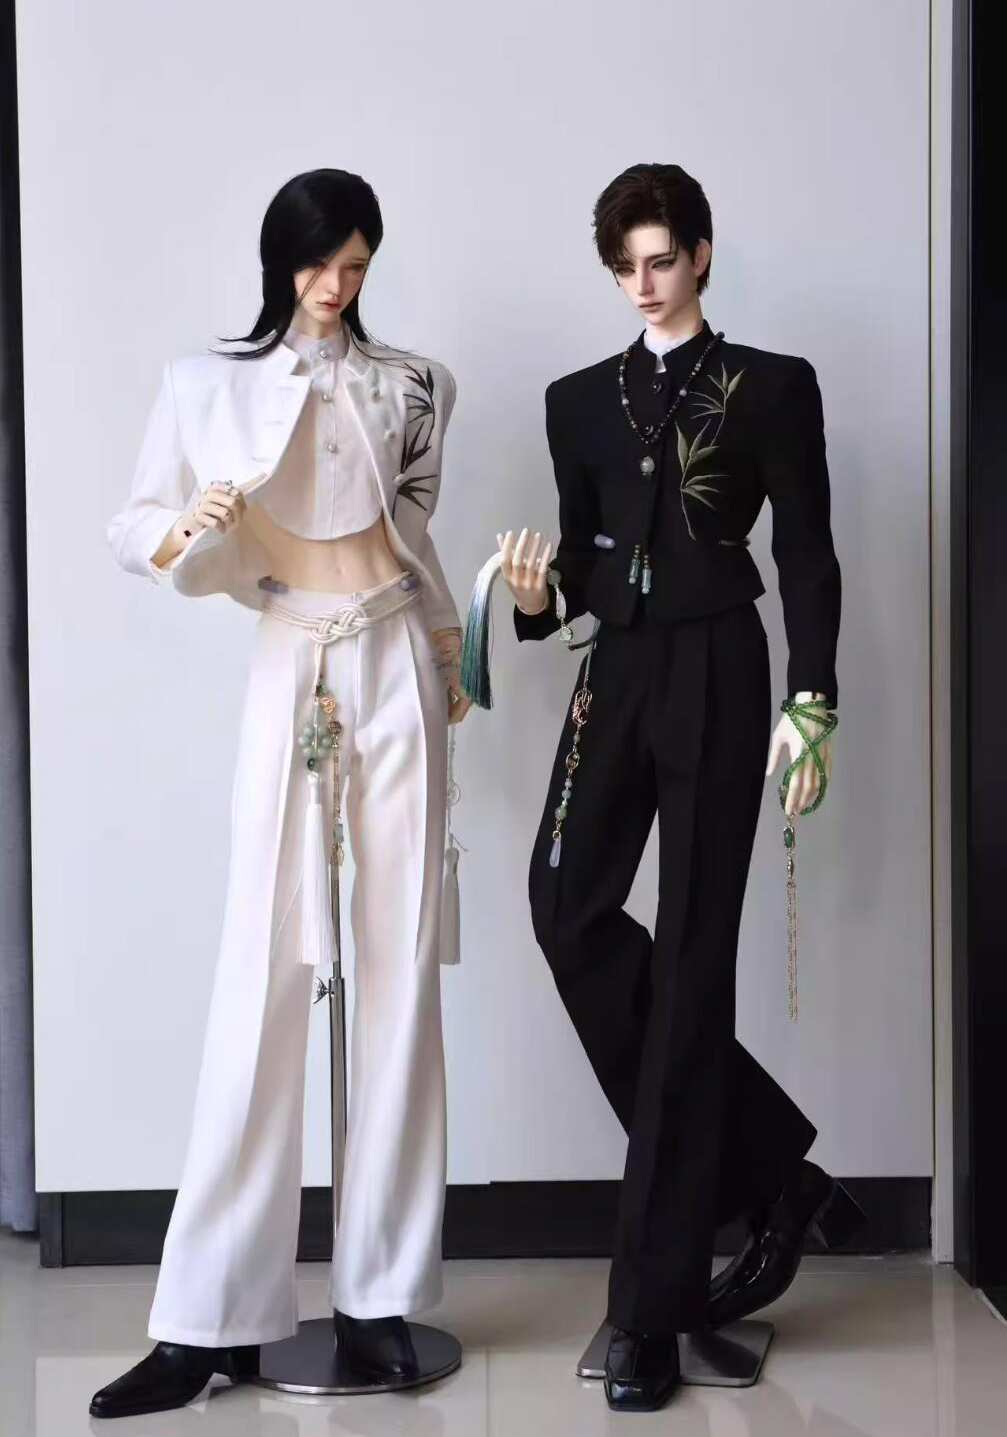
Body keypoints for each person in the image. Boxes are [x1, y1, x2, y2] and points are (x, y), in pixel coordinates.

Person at [90, 168, 470, 1420]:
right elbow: (134, 524)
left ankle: (378, 1295)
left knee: (398, 970)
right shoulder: (204, 384)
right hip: (288, 654)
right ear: (280, 259)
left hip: (395, 655)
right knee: (259, 967)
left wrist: (451, 657)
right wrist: (187, 527)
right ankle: (208, 1319)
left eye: (355, 264)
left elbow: (413, 537)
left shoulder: (416, 385)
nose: (335, 285)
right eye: (318, 261)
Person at [495, 163, 862, 1413]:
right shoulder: (575, 401)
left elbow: (804, 549)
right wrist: (533, 602)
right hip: (615, 670)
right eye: (624, 268)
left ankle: (651, 1311)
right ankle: (768, 1172)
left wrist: (812, 696)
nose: (643, 285)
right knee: (563, 908)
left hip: (720, 671)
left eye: (660, 260)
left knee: (696, 961)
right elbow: (574, 560)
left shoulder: (769, 384)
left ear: (699, 254)